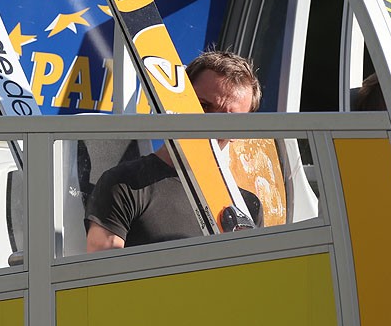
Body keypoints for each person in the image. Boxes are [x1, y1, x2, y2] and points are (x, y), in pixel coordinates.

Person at [84, 50, 264, 252]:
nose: (210, 123)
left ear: (240, 131)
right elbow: (101, 268)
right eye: (203, 106)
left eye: (228, 118)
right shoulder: (124, 184)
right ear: (178, 103)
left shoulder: (248, 206)